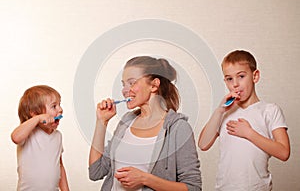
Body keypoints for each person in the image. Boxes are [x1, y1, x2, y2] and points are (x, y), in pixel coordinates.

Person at [89, 56, 202, 191]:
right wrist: (102, 121)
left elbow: (193, 187)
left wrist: (145, 179)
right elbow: (95, 172)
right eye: (123, 84)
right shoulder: (126, 123)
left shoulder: (178, 128)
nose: (125, 90)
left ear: (154, 85)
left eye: (132, 83)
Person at [198, 50, 290, 191]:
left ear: (255, 76)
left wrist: (249, 133)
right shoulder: (224, 113)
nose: (235, 84)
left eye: (241, 76)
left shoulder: (269, 110)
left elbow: (283, 152)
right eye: (229, 79)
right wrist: (219, 111)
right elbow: (203, 144)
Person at [11, 85, 69, 191]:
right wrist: (37, 119)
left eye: (59, 104)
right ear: (34, 113)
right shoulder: (27, 134)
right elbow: (15, 137)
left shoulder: (58, 136)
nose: (60, 109)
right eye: (54, 106)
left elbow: (60, 166)